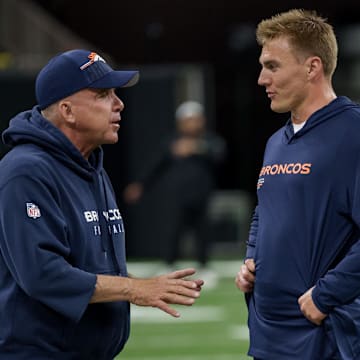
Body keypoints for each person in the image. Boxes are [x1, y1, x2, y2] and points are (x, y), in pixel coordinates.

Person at [0, 49, 204, 360]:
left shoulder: (90, 165)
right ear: (67, 110)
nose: (119, 104)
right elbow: (43, 275)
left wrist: (143, 285)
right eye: (103, 94)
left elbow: (89, 269)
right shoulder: (26, 172)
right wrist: (134, 290)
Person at [235, 9, 360, 360]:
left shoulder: (353, 134)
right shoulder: (276, 141)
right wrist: (251, 259)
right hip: (267, 336)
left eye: (272, 66)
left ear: (312, 67)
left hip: (323, 337)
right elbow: (266, 209)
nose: (261, 79)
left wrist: (326, 294)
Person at [124, 101, 225, 277]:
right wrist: (140, 185)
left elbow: (219, 155)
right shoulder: (171, 142)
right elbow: (155, 166)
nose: (192, 123)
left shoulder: (209, 140)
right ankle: (169, 263)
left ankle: (204, 266)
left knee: (203, 232)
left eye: (195, 119)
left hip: (201, 195)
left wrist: (197, 148)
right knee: (173, 230)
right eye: (188, 120)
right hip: (176, 196)